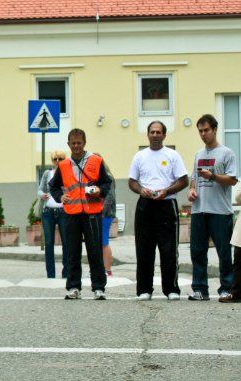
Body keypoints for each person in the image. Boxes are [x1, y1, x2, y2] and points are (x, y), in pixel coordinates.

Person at [128, 121, 189, 300]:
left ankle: (171, 289)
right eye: (152, 132)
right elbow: (132, 181)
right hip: (145, 205)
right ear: (147, 134)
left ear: (164, 135)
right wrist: (141, 190)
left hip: (166, 204)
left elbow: (183, 180)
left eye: (158, 132)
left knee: (168, 249)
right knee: (144, 249)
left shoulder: (172, 155)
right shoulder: (139, 156)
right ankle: (144, 289)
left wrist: (166, 191)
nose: (155, 135)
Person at [49, 128, 112, 300]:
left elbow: (107, 183)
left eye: (79, 143)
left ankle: (99, 287)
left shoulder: (96, 161)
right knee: (72, 252)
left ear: (85, 143)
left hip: (92, 213)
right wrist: (60, 197)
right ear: (68, 144)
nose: (76, 146)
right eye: (73, 143)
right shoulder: (63, 165)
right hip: (71, 213)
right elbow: (53, 186)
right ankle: (74, 287)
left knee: (95, 251)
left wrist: (99, 191)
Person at [187, 114, 237, 300]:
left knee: (224, 252)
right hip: (199, 210)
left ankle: (226, 288)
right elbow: (194, 178)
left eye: (206, 130)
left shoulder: (226, 153)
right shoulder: (198, 154)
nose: (203, 134)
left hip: (220, 211)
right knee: (197, 251)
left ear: (215, 129)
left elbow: (232, 180)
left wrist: (213, 177)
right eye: (200, 131)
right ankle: (200, 289)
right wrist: (192, 190)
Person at [37, 150, 69, 279]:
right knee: (49, 243)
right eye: (55, 159)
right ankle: (50, 274)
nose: (57, 162)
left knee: (66, 243)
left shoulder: (67, 173)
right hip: (48, 211)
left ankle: (66, 273)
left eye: (60, 159)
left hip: (63, 210)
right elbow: (39, 190)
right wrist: (42, 195)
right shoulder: (47, 173)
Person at [101, 163, 117, 276]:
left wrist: (102, 211)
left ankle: (107, 270)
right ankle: (101, 269)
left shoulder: (107, 177)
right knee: (98, 242)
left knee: (103, 241)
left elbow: (110, 196)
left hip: (104, 214)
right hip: (97, 213)